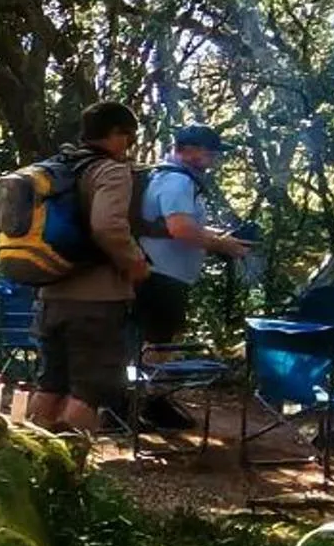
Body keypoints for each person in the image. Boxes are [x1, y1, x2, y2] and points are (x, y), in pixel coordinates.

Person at [31, 101, 147, 435]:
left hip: (50, 295)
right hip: (97, 301)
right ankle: (69, 477)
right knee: (88, 391)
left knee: (51, 384)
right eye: (129, 137)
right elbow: (108, 225)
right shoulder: (109, 170)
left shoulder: (51, 168)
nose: (129, 146)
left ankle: (28, 465)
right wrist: (134, 262)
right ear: (115, 134)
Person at [134, 123, 257, 351]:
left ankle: (144, 385)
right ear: (188, 150)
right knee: (157, 349)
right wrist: (222, 246)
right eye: (210, 153)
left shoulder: (166, 177)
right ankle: (148, 387)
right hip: (161, 276)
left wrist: (218, 235)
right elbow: (180, 229)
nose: (215, 159)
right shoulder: (177, 181)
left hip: (159, 274)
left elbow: (176, 225)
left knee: (154, 344)